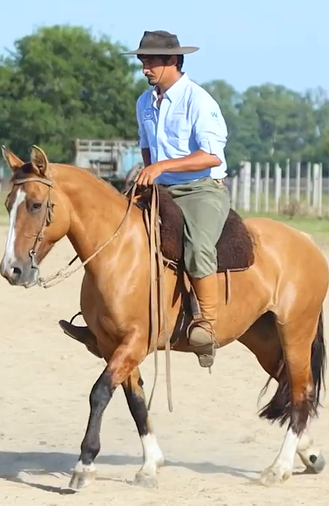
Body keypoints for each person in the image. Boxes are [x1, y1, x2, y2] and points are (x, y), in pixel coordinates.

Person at [127, 30, 231, 368]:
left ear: (172, 61)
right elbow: (146, 143)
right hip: (161, 187)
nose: (145, 67)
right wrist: (148, 172)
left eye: (151, 61)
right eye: (143, 60)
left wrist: (161, 167)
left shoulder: (198, 100)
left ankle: (206, 324)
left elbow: (212, 156)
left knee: (198, 245)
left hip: (201, 188)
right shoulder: (144, 102)